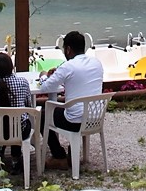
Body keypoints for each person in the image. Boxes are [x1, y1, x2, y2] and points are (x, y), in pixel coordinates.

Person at [35, 30, 105, 165]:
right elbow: (78, 80)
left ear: (68, 49)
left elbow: (44, 87)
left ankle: (59, 156)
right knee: (70, 109)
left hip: (75, 120)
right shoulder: (97, 63)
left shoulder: (68, 66)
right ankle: (72, 154)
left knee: (43, 115)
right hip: (95, 117)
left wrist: (44, 75)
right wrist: (58, 75)